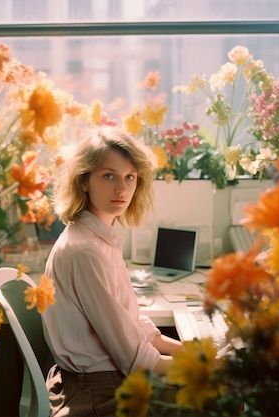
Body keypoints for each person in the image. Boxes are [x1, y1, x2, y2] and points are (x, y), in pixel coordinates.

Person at [42, 125, 183, 417]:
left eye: (129, 177)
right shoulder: (85, 251)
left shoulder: (99, 238)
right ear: (84, 181)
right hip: (96, 392)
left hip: (106, 380)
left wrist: (193, 353)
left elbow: (133, 324)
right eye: (109, 176)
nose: (122, 188)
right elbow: (138, 360)